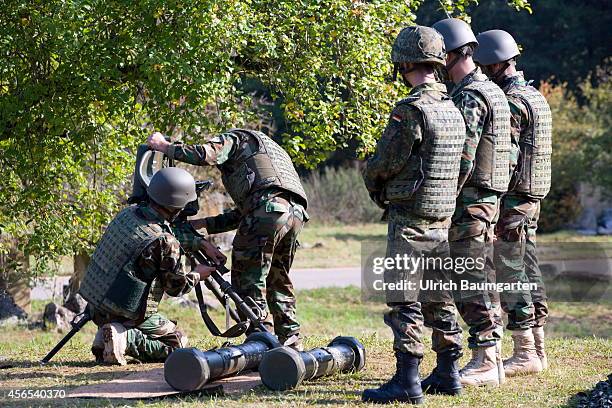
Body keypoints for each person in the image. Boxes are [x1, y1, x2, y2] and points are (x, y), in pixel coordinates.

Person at [361, 25, 466, 404]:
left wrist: (370, 177)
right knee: (439, 296)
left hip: (409, 218)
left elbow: (385, 163)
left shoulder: (411, 111)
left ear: (403, 62)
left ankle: (407, 381)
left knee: (404, 299)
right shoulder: (453, 108)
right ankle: (448, 372)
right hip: (442, 216)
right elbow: (466, 164)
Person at [147, 128, 309, 349]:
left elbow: (205, 155)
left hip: (267, 212)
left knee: (247, 282)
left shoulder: (236, 138)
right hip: (295, 214)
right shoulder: (269, 152)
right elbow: (247, 213)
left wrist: (164, 146)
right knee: (278, 279)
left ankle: (261, 341)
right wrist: (204, 224)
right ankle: (291, 339)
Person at [432, 18, 512, 387]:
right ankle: (489, 356)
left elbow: (462, 156)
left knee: (469, 275)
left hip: (470, 199)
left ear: (449, 53)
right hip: (487, 196)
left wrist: (444, 199)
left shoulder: (469, 95)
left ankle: (485, 358)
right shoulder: (492, 90)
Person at [79, 167, 217, 365]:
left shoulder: (128, 214)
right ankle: (125, 338)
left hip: (96, 304)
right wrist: (197, 274)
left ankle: (107, 335)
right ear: (177, 204)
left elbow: (157, 235)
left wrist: (200, 243)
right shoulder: (166, 242)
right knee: (177, 343)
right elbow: (176, 288)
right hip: (124, 310)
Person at [474, 30, 552, 376]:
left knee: (510, 269)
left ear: (492, 64)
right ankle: (536, 348)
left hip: (514, 198)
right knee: (527, 266)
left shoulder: (512, 103)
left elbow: (506, 156)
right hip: (532, 195)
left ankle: (525, 352)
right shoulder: (534, 95)